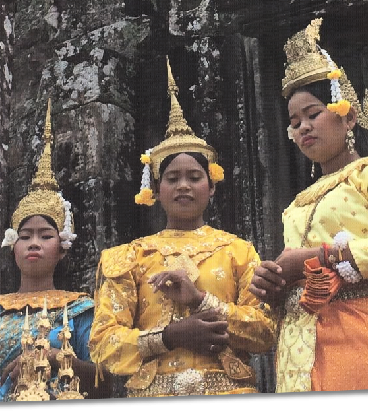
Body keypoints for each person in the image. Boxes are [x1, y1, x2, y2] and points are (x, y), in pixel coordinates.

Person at [249, 18, 368, 392]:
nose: (303, 127)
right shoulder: (297, 205)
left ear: (348, 115)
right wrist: (274, 287)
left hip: (365, 330)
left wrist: (319, 254)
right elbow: (297, 274)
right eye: (294, 121)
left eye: (313, 113)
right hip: (301, 344)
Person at [88, 59, 276, 397]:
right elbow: (102, 344)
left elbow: (264, 332)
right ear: (156, 190)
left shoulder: (238, 251)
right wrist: (169, 337)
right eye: (172, 179)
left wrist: (202, 301)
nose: (183, 186)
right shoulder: (130, 256)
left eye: (194, 177)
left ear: (212, 186)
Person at [0, 100, 99, 403]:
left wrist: (55, 358)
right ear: (12, 246)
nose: (34, 243)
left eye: (45, 235)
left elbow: (103, 385)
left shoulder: (81, 310)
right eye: (25, 235)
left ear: (62, 248)